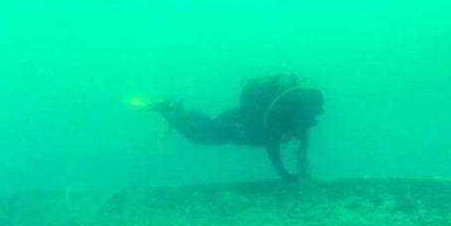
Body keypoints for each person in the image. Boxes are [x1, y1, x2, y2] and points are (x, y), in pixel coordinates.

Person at [129, 75, 324, 182]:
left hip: (238, 120)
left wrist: (301, 171)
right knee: (197, 136)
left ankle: (181, 111)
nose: (316, 116)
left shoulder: (295, 116)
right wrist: (284, 174)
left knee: (210, 126)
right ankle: (165, 109)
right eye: (316, 111)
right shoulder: (290, 117)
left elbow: (300, 144)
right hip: (238, 126)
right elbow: (272, 146)